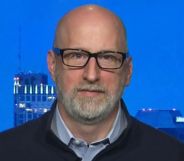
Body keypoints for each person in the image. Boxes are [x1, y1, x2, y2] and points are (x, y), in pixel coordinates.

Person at [0, 4, 184, 161]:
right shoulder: (6, 152)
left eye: (107, 58)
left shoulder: (172, 155)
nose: (91, 74)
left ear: (128, 71)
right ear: (53, 65)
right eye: (76, 56)